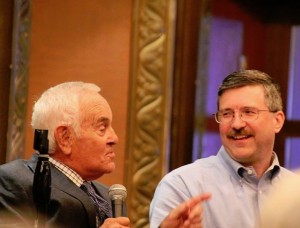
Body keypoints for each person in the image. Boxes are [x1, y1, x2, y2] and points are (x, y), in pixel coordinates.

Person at [149, 69, 295, 228]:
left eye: (248, 112)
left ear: (277, 121)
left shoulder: (295, 192)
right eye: (227, 114)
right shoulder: (182, 186)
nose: (237, 124)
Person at [0, 82, 130, 227]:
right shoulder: (14, 182)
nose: (114, 138)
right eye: (102, 128)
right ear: (65, 137)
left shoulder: (110, 197)